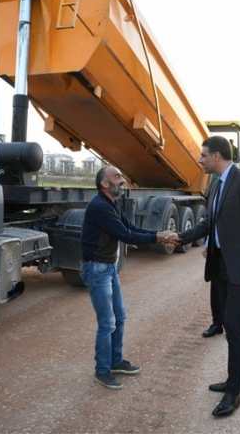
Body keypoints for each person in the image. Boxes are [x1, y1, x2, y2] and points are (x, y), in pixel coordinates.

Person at [170, 135, 240, 417]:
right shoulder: (216, 184)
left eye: (203, 155)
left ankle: (233, 393)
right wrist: (180, 238)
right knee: (230, 325)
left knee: (234, 326)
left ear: (217, 156)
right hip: (223, 265)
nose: (200, 160)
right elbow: (209, 223)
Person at [81, 165, 175, 389]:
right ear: (105, 184)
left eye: (121, 175)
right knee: (108, 323)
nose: (122, 180)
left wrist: (156, 235)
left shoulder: (111, 204)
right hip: (97, 269)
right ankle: (102, 370)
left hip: (108, 268)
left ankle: (115, 361)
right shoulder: (99, 207)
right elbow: (125, 235)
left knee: (120, 317)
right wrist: (158, 238)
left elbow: (130, 227)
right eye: (117, 176)